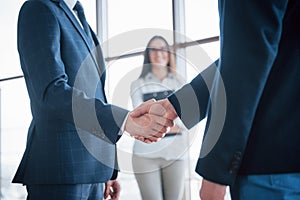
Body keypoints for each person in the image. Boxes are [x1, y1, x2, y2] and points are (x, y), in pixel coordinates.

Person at [132, 0, 300, 199]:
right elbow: (260, 47)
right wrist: (174, 105)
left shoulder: (176, 78)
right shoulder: (138, 83)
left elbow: (247, 56)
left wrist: (216, 172)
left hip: (272, 165)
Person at [13, 0, 174, 199]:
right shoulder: (39, 9)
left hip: (94, 172)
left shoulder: (81, 20)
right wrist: (124, 121)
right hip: (61, 168)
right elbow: (52, 91)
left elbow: (95, 95)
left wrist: (106, 169)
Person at [130, 35, 188, 200]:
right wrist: (173, 119)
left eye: (163, 49)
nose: (159, 53)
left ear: (169, 53)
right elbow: (142, 121)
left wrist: (156, 121)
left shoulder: (180, 83)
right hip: (145, 155)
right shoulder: (137, 84)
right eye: (153, 50)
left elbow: (186, 122)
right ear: (148, 54)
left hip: (176, 155)